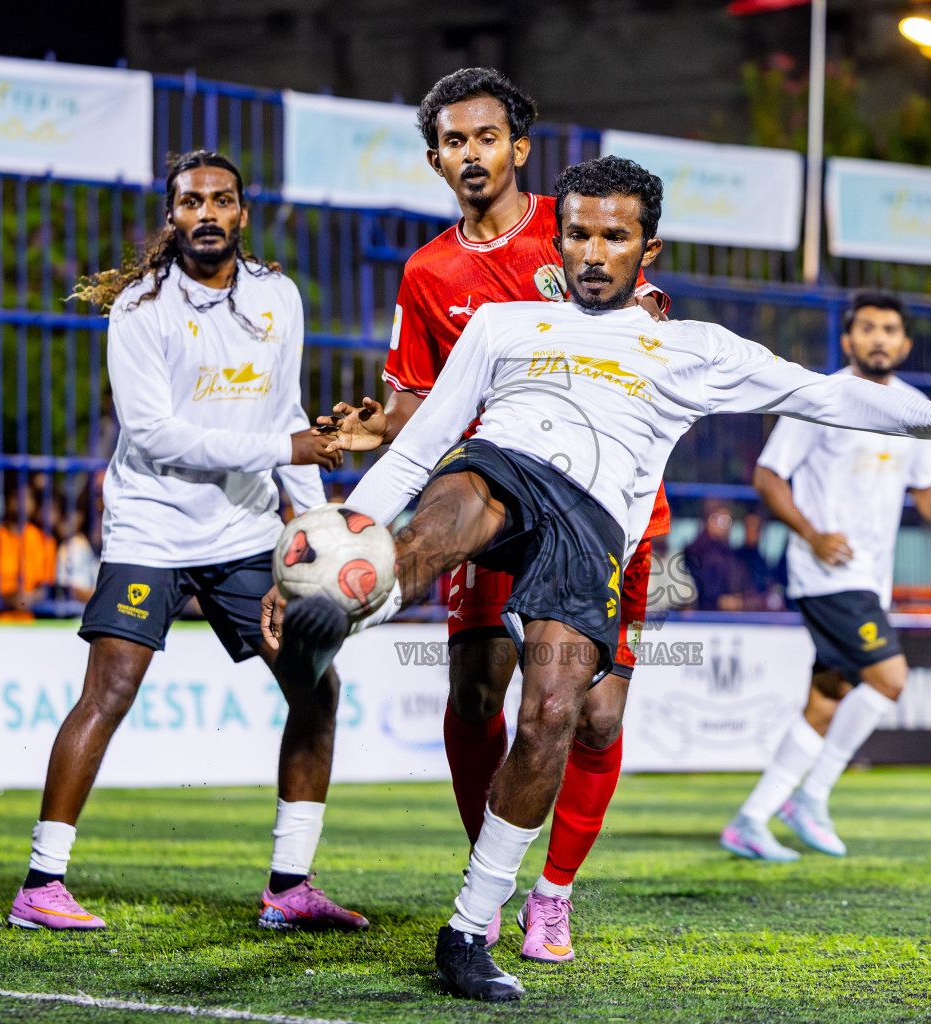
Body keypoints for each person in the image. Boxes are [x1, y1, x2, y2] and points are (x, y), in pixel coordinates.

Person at [271, 157, 931, 1000]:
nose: (593, 253)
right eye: (578, 235)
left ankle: (469, 930)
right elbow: (418, 446)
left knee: (553, 715)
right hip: (501, 466)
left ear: (646, 249)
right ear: (558, 241)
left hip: (592, 526)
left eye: (613, 237)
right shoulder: (504, 325)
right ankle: (338, 606)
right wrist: (351, 528)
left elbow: (824, 395)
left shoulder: (695, 348)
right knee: (445, 516)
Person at [317, 68, 671, 964]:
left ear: (519, 147)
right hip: (490, 501)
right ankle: (491, 877)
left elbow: (643, 339)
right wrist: (378, 428)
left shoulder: (577, 228)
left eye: (486, 137)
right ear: (435, 160)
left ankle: (554, 896)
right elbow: (418, 403)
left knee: (593, 714)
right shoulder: (427, 272)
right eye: (453, 142)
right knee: (476, 692)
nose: (471, 154)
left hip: (608, 507)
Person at [5, 151, 362, 935]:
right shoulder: (141, 308)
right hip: (152, 526)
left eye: (221, 200)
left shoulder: (277, 296)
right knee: (109, 692)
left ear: (242, 213)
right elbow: (155, 435)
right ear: (171, 217)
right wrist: (286, 449)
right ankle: (40, 884)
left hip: (244, 532)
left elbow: (286, 410)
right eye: (191, 201)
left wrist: (313, 529)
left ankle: (290, 887)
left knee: (316, 686)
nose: (207, 213)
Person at [719, 292, 931, 861]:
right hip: (827, 573)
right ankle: (811, 797)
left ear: (904, 343)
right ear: (848, 340)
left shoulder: (914, 406)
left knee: (828, 698)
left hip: (870, 579)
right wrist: (812, 535)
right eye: (868, 328)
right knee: (889, 679)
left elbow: (926, 485)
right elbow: (768, 476)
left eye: (890, 329)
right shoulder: (820, 396)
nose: (879, 338)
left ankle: (751, 819)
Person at [0, 476, 58, 621]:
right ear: (7, 500)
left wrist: (30, 598)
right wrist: (5, 599)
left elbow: (46, 587)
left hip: (27, 623)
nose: (22, 502)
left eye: (28, 497)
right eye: (17, 496)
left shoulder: (45, 542)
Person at [681, 502, 752, 611]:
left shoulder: (729, 555)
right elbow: (695, 588)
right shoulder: (695, 552)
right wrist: (719, 600)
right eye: (722, 519)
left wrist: (738, 599)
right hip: (703, 613)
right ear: (709, 520)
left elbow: (741, 584)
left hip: (726, 614)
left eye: (728, 520)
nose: (726, 525)